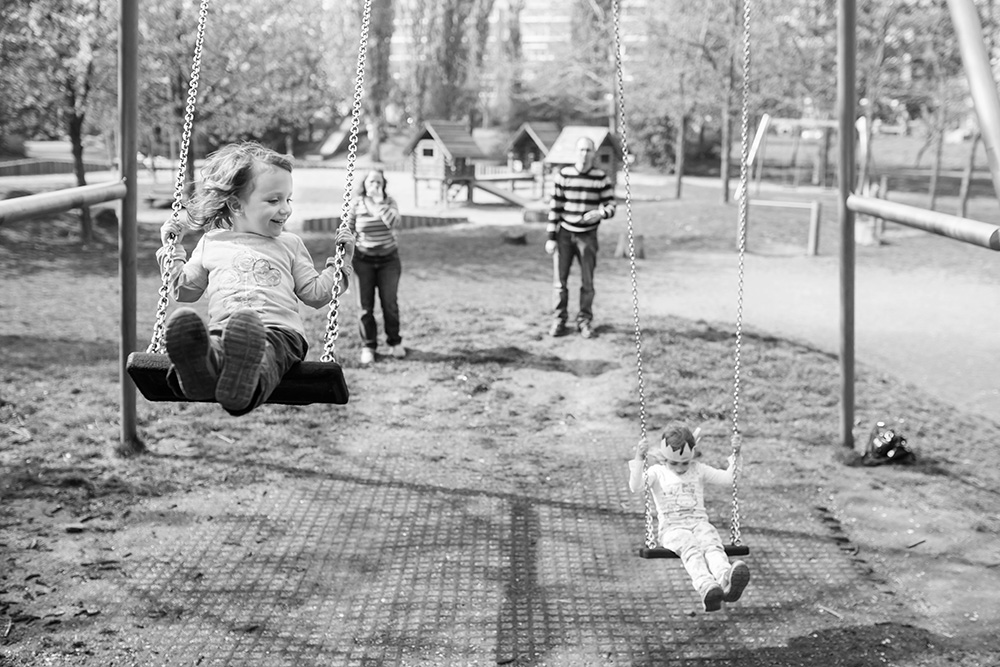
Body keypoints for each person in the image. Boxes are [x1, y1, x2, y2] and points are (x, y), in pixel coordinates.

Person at [156, 141, 356, 416]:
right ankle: (200, 374)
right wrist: (172, 250)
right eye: (274, 200)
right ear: (237, 205)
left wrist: (341, 262)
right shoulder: (212, 242)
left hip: (280, 335)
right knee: (214, 346)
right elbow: (185, 291)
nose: (285, 209)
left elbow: (316, 293)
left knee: (263, 358)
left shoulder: (290, 244)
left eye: (288, 199)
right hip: (224, 330)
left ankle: (242, 387)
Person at [628, 423, 751, 612]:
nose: (679, 468)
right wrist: (638, 457)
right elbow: (635, 486)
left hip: (699, 523)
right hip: (672, 529)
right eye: (673, 463)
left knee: (711, 544)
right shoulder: (657, 473)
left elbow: (729, 479)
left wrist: (737, 454)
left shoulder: (698, 470)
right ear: (664, 457)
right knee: (691, 548)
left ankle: (726, 579)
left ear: (692, 454)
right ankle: (706, 586)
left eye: (684, 463)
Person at [545, 136, 616, 339]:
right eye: (582, 150)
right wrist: (551, 237)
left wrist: (601, 213)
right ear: (576, 152)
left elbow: (611, 206)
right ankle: (559, 320)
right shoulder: (564, 176)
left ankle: (584, 321)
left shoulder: (600, 178)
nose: (585, 154)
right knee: (560, 282)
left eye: (589, 150)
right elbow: (555, 208)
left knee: (587, 282)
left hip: (588, 236)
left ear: (594, 154)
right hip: (565, 234)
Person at [346, 168, 404, 365]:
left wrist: (380, 204)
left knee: (390, 304)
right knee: (365, 306)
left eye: (378, 182)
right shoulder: (356, 203)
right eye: (371, 182)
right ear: (364, 184)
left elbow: (394, 223)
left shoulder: (389, 202)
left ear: (383, 184)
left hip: (389, 260)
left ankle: (395, 342)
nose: (375, 185)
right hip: (364, 261)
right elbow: (349, 229)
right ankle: (369, 346)